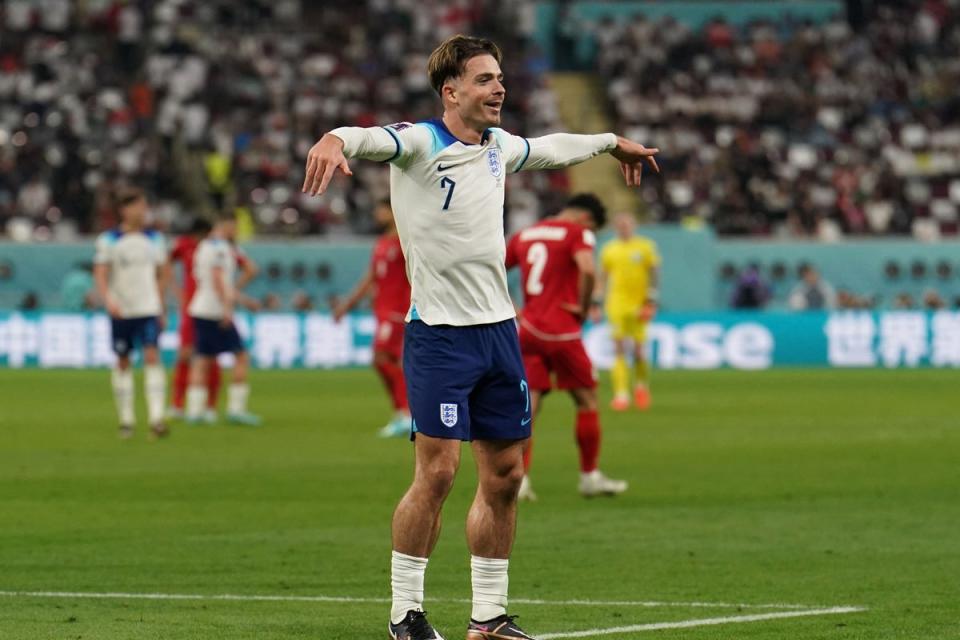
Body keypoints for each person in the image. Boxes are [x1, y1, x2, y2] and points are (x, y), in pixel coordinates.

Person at [302, 34, 659, 640]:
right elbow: (367, 138)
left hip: (498, 333)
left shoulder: (498, 148)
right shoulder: (420, 142)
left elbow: (551, 149)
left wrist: (608, 140)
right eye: (486, 79)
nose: (500, 88)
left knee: (505, 475)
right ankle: (405, 612)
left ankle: (489, 617)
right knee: (438, 473)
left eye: (500, 78)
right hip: (439, 337)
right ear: (452, 90)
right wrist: (334, 139)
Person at [505, 194, 627, 502]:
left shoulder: (525, 234)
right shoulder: (577, 233)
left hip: (528, 331)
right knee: (586, 400)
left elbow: (491, 270)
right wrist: (585, 309)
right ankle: (590, 477)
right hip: (562, 332)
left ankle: (520, 481)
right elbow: (587, 269)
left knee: (528, 409)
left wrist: (515, 309)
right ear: (587, 220)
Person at [93, 187, 170, 439]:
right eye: (137, 206)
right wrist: (108, 300)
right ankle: (126, 420)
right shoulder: (109, 240)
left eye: (144, 206)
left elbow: (163, 273)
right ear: (124, 210)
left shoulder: (155, 239)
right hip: (122, 309)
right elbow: (101, 272)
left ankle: (157, 418)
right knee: (123, 361)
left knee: (152, 356)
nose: (142, 211)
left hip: (148, 308)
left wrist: (161, 304)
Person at [333, 199, 413, 438]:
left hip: (398, 310)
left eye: (382, 209)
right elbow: (371, 278)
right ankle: (402, 413)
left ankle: (406, 414)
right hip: (382, 310)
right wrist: (348, 304)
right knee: (388, 360)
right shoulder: (381, 243)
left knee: (383, 358)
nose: (378, 214)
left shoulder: (406, 241)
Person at [169, 218, 259, 422]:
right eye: (233, 226)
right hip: (214, 310)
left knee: (202, 359)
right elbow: (219, 280)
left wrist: (235, 295)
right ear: (224, 226)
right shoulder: (220, 248)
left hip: (199, 307)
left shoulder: (204, 246)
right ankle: (236, 409)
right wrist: (229, 307)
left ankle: (194, 411)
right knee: (241, 356)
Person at [597, 212, 661, 411]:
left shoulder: (645, 246)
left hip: (639, 304)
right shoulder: (609, 250)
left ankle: (641, 386)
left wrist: (652, 298)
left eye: (627, 224)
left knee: (639, 351)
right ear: (616, 227)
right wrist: (597, 302)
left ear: (633, 226)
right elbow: (603, 278)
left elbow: (654, 272)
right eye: (621, 225)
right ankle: (621, 394)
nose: (624, 228)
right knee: (618, 348)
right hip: (616, 304)